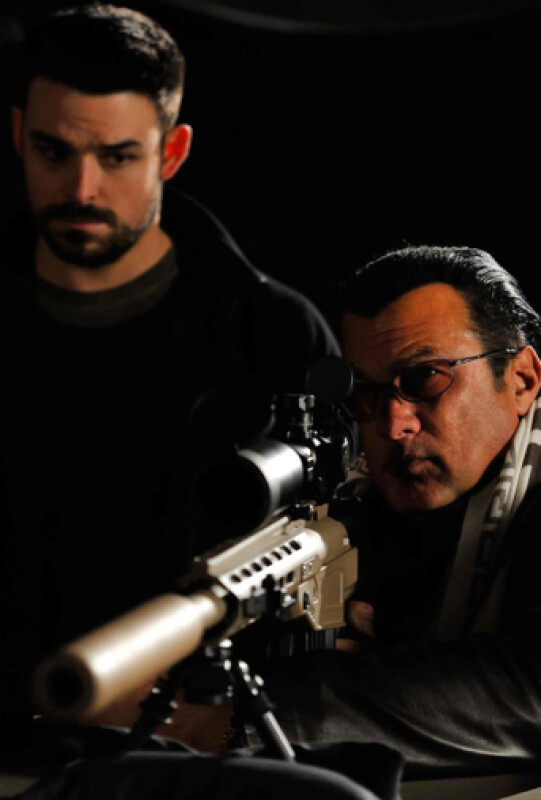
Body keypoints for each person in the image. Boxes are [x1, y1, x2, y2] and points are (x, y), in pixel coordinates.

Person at [0, 2, 340, 749]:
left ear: (172, 152)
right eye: (54, 151)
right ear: (19, 134)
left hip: (188, 758)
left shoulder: (273, 337)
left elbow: (327, 574)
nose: (82, 188)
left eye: (118, 157)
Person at [263, 245, 541, 780]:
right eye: (366, 394)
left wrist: (258, 714)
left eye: (425, 379)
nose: (393, 426)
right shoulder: (355, 505)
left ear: (522, 380)